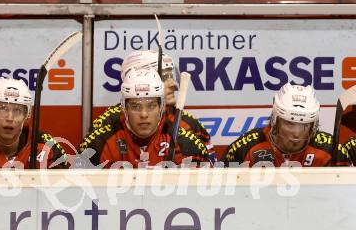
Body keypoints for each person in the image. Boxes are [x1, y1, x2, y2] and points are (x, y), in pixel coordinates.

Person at [91, 50, 216, 163]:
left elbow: (211, 178)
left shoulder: (190, 125)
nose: (173, 84)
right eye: (164, 77)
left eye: (171, 76)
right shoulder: (105, 127)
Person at [221, 83, 349, 167]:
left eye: (304, 125)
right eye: (289, 123)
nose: (297, 132)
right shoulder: (247, 146)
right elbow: (220, 188)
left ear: (313, 125)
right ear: (275, 121)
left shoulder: (332, 149)